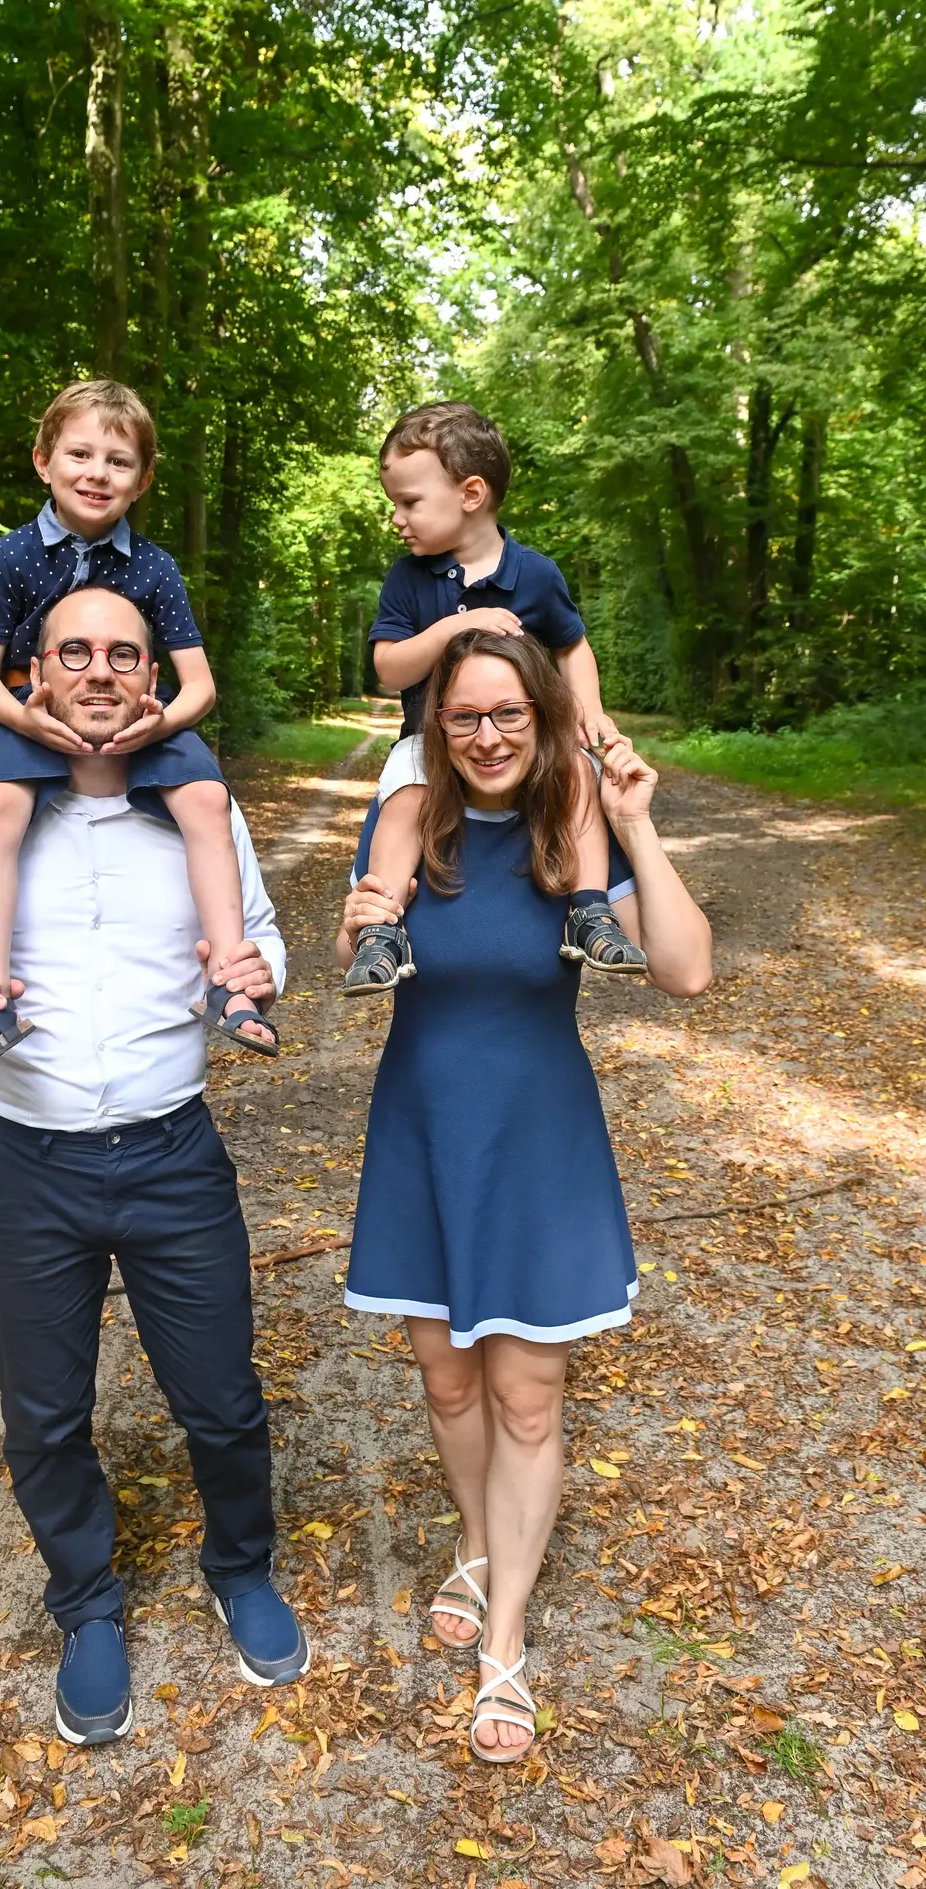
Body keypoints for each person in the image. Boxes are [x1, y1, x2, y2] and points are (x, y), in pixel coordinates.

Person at [0, 584, 309, 1746]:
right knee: (44, 1413)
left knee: (221, 1397)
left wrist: (258, 970)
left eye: (127, 651)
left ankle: (241, 1567)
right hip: (25, 1163)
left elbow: (258, 932)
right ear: (35, 675)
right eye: (76, 651)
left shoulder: (197, 810)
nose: (104, 669)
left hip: (175, 1151)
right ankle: (87, 1604)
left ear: (155, 677)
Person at [336, 626, 712, 1764]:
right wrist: (355, 921)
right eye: (465, 717)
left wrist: (640, 820)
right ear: (437, 730)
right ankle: (477, 1538)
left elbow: (688, 969)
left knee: (529, 1400)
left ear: (543, 719)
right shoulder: (410, 823)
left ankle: (504, 1641)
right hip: (425, 1134)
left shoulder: (576, 829)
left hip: (540, 1142)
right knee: (450, 1386)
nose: (489, 736)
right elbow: (361, 941)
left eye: (511, 714)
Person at [0, 377, 275, 1079]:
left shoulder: (154, 568)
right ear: (43, 461)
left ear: (144, 479)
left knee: (207, 798)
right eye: (79, 455)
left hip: (139, 719)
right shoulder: (12, 556)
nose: (97, 474)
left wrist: (157, 728)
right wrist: (28, 724)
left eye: (118, 461)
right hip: (27, 711)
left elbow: (201, 686)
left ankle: (229, 977)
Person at [342, 400, 647, 996]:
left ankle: (589, 908)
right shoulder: (409, 576)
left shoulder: (535, 574)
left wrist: (589, 709)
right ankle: (381, 927)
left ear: (471, 493)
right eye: (393, 504)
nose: (397, 519)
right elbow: (387, 668)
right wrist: (455, 626)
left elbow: (572, 646)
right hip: (434, 744)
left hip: (522, 743)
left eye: (409, 502)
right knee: (404, 780)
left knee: (577, 770)